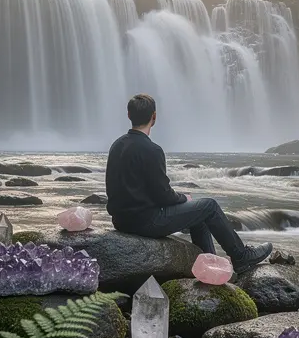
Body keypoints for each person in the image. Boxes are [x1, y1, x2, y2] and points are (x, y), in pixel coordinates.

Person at [106, 94, 274, 274]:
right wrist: (183, 198)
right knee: (209, 206)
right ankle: (241, 256)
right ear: (154, 116)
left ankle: (210, 265)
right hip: (146, 222)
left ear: (129, 115)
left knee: (198, 214)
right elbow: (162, 195)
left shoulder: (116, 145)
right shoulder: (152, 150)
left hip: (121, 221)